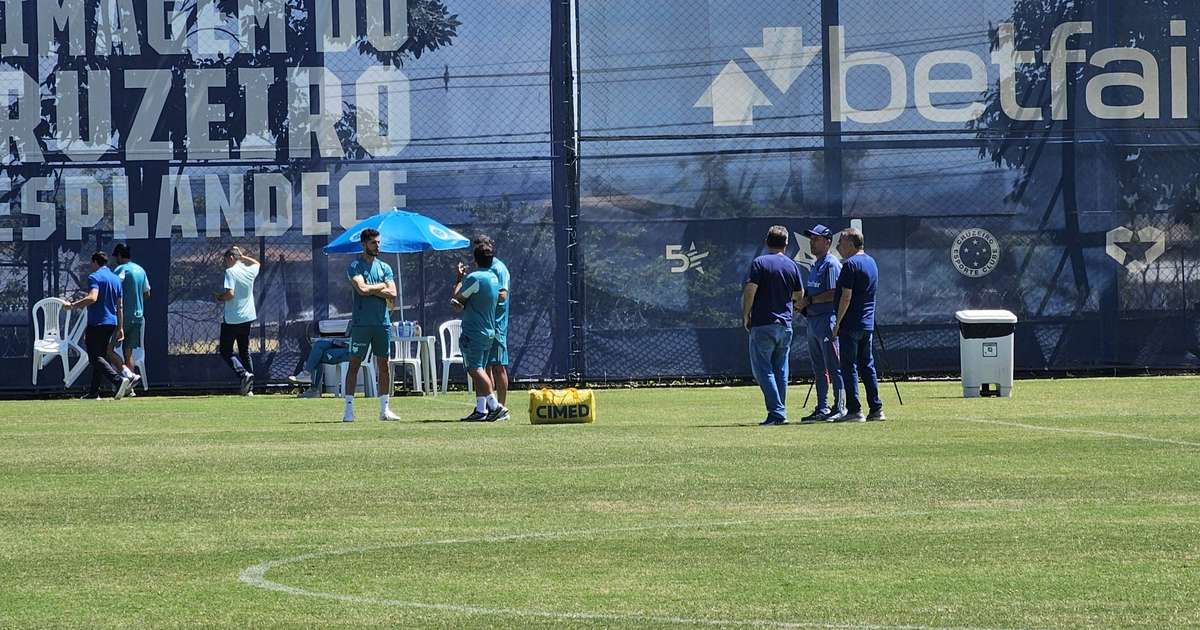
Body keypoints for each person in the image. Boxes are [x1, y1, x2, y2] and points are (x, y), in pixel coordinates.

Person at [741, 226, 804, 425]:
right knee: (781, 370)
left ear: (767, 242)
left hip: (763, 322)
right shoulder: (792, 266)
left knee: (763, 370)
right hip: (785, 324)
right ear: (786, 244)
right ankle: (780, 410)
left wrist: (746, 314)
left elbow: (750, 290)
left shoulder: (760, 263)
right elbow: (799, 295)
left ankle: (777, 412)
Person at [343, 228, 402, 422]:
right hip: (361, 324)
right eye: (373, 243)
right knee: (354, 365)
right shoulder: (354, 266)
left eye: (378, 242)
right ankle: (348, 411)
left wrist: (372, 288)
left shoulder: (385, 267)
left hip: (382, 324)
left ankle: (385, 410)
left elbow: (392, 293)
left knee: (383, 365)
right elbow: (361, 289)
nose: (377, 246)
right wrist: (380, 287)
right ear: (364, 244)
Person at [832, 228, 884, 422]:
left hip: (850, 323)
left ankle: (854, 410)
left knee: (849, 366)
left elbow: (846, 297)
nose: (838, 246)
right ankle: (876, 408)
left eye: (842, 243)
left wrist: (837, 323)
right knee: (867, 365)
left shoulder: (850, 265)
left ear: (852, 244)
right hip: (867, 324)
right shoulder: (871, 262)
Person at [451, 242, 508, 422]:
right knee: (482, 368)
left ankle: (495, 406)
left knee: (474, 369)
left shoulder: (475, 277)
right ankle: (481, 409)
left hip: (474, 331)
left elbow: (457, 297)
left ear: (475, 260)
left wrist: (459, 279)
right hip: (489, 330)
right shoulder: (493, 277)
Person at [65, 251, 133, 400]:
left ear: (95, 262)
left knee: (94, 357)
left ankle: (118, 380)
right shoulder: (115, 279)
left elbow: (92, 297)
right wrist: (120, 327)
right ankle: (94, 392)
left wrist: (72, 306)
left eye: (91, 263)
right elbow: (119, 306)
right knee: (100, 357)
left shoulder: (94, 277)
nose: (90, 266)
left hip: (97, 323)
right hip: (111, 323)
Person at [798, 225, 845, 423]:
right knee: (819, 368)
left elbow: (835, 293)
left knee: (835, 366)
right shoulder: (816, 265)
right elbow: (813, 292)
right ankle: (822, 407)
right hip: (814, 322)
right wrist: (802, 304)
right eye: (811, 239)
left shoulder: (831, 264)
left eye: (816, 239)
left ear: (827, 242)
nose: (812, 242)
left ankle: (840, 407)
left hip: (828, 320)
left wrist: (809, 301)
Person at [213, 246, 260, 396]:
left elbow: (230, 294)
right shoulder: (249, 270)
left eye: (226, 260)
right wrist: (243, 256)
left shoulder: (230, 272)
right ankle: (250, 388)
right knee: (244, 351)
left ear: (231, 258)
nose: (225, 263)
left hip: (233, 319)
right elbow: (257, 263)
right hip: (247, 318)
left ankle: (243, 374)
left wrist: (220, 297)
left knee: (225, 350)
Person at [472, 234, 510, 406]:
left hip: (496, 324)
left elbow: (502, 295)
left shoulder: (498, 268)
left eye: (483, 246)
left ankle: (501, 407)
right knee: (483, 365)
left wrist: (484, 298)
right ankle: (487, 407)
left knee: (498, 365)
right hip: (483, 325)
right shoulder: (481, 269)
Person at [107, 244, 149, 390]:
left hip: (123, 317)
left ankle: (128, 376)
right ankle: (129, 389)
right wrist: (136, 299)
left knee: (108, 349)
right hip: (138, 316)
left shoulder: (120, 269)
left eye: (115, 257)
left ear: (119, 255)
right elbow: (147, 293)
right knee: (128, 351)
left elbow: (114, 291)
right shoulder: (140, 270)